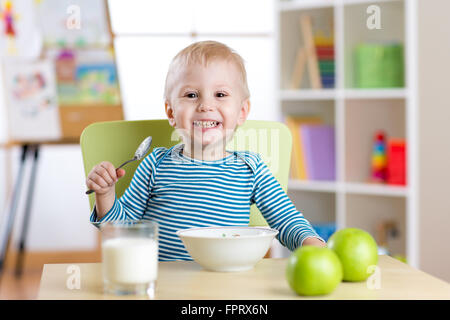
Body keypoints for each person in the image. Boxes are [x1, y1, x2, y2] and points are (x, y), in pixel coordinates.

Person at [86, 41, 326, 261]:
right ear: (171, 113)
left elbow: (287, 221)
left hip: (227, 286)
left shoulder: (251, 169)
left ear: (242, 111)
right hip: (164, 286)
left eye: (220, 95)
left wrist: (313, 245)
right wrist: (105, 195)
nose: (205, 105)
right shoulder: (155, 165)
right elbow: (119, 230)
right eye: (191, 95)